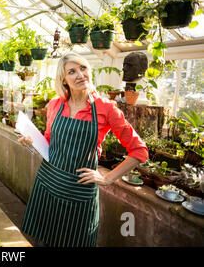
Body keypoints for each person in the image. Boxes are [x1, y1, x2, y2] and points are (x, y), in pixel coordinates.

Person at [18, 53, 148, 247]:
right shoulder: (55, 105)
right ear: (63, 80)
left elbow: (140, 151)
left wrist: (107, 178)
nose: (80, 75)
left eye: (83, 68)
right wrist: (31, 142)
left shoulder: (106, 108)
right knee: (42, 243)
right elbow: (48, 143)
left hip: (79, 194)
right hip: (48, 185)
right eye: (72, 71)